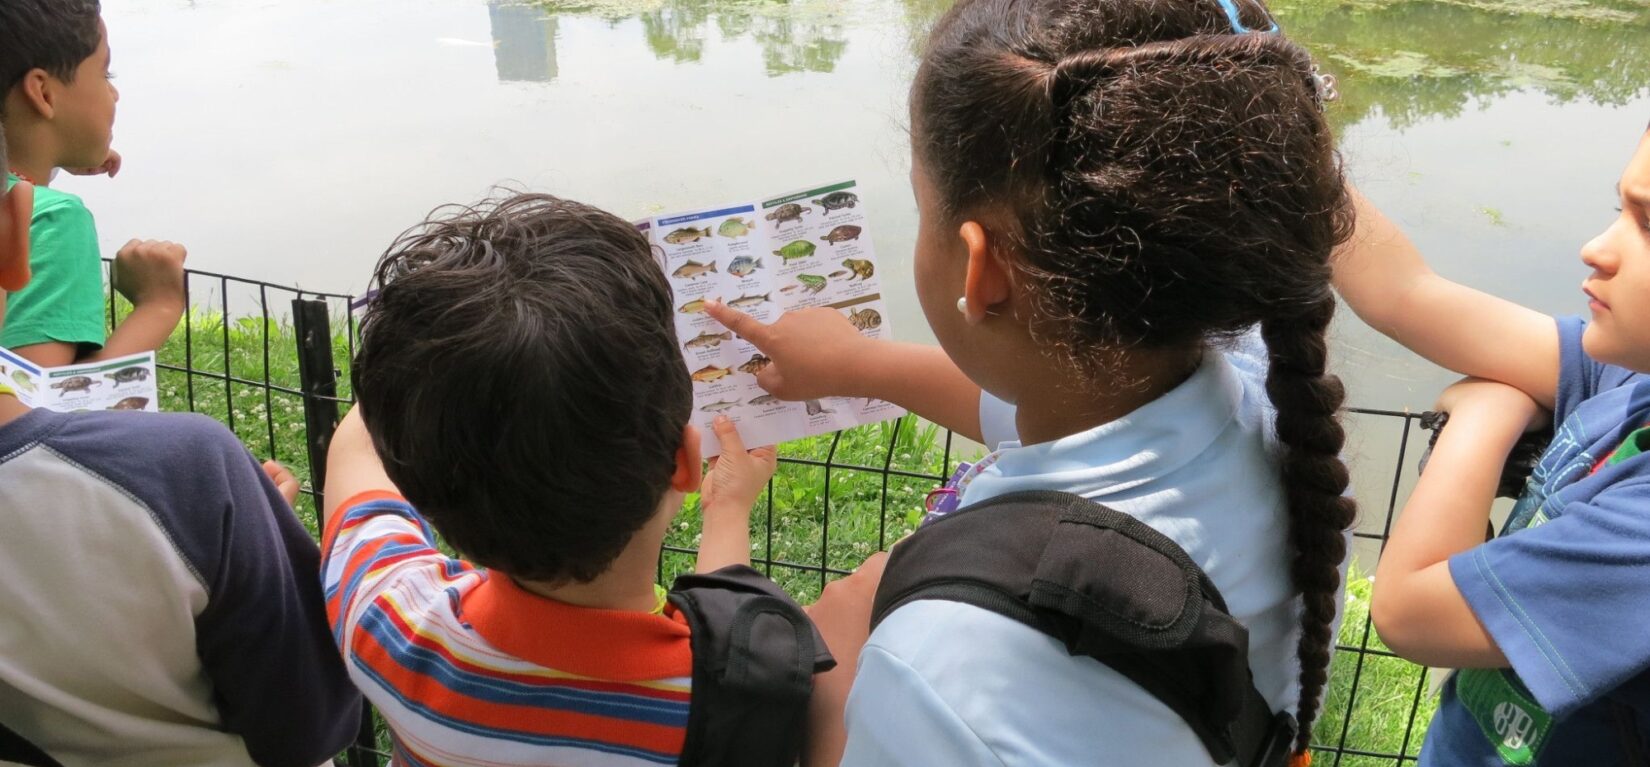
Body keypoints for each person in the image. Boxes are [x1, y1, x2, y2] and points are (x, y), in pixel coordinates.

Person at [705, 0, 1356, 763]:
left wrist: (824, 706)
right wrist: (856, 364)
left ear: (981, 269)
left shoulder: (941, 674)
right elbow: (1042, 402)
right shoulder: (1271, 424)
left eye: (922, 206)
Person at [322, 193, 830, 766]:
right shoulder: (731, 701)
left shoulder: (388, 628)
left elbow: (355, 461)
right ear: (685, 465)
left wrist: (439, 364)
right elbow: (729, 641)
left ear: (412, 478)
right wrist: (729, 509)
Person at [0, 122, 361, 766]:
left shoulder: (181, 476)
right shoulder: (191, 468)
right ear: (15, 221)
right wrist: (226, 519)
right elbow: (311, 725)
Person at [1347, 125, 1650, 764]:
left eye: (1648, 226)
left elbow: (1408, 613)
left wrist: (1483, 418)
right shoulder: (1631, 379)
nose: (1597, 248)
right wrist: (1284, 135)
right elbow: (1407, 295)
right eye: (1619, 209)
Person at [0, 0, 185, 366]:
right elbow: (38, 407)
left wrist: (56, 157)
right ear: (44, 93)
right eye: (106, 74)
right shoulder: (52, 220)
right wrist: (158, 307)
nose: (114, 93)